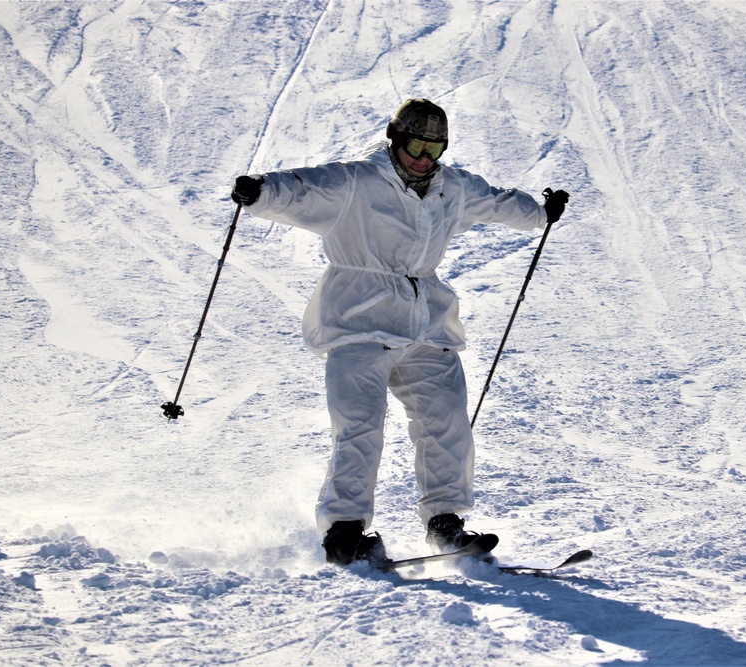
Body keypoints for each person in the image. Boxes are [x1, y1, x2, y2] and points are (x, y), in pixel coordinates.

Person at [231, 98, 569, 566]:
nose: (422, 157)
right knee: (361, 425)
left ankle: (444, 523)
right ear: (395, 138)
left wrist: (539, 213)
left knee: (446, 421)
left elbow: (496, 201)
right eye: (414, 143)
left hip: (425, 322)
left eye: (434, 147)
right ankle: (345, 531)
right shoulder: (357, 181)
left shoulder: (452, 187)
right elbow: (305, 189)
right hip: (358, 320)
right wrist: (261, 192)